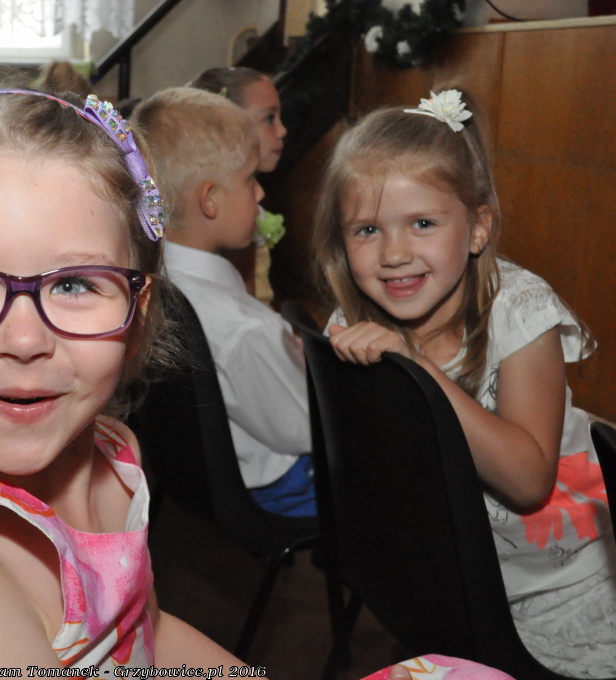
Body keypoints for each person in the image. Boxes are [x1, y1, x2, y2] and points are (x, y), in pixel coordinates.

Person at [313, 88, 616, 677]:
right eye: (367, 229)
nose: (394, 253)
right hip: (452, 582)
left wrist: (418, 371)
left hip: (567, 578)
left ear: (477, 229)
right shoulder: (352, 326)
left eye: (422, 223)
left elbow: (528, 482)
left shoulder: (521, 311)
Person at [132, 87, 314, 517]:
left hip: (189, 480)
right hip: (276, 490)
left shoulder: (146, 281)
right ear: (210, 200)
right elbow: (306, 429)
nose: (261, 194)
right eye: (250, 179)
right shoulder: (244, 328)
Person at [189, 66, 288, 305]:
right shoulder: (235, 215)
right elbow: (244, 301)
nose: (282, 130)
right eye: (269, 118)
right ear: (227, 123)